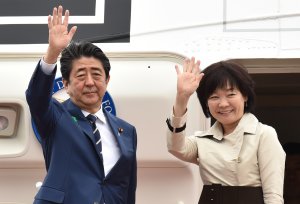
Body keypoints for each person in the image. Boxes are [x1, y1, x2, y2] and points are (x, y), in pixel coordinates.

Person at [26, 6, 137, 204]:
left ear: (107, 80)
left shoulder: (127, 131)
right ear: (66, 84)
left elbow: (127, 189)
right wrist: (52, 53)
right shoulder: (56, 117)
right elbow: (36, 97)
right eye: (80, 75)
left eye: (96, 74)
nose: (89, 82)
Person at [166, 58, 285, 204]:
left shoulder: (264, 134)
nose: (223, 104)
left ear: (245, 96)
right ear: (206, 103)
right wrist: (182, 97)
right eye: (214, 97)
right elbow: (175, 147)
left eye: (231, 95)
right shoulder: (202, 140)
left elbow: (273, 196)